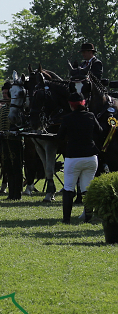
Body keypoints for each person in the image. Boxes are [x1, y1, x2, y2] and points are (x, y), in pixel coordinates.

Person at [56, 92, 103, 224]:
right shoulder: (91, 116)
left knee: (69, 187)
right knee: (86, 188)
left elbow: (60, 137)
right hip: (90, 157)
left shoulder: (67, 118)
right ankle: (88, 217)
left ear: (71, 105)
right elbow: (99, 131)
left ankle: (66, 219)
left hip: (73, 157)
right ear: (83, 103)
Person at [0, 81, 24, 200]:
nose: (4, 95)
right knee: (7, 166)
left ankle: (17, 193)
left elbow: (22, 124)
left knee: (16, 167)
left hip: (15, 140)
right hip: (4, 140)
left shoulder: (18, 109)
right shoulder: (2, 109)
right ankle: (10, 192)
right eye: (3, 93)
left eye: (5, 93)